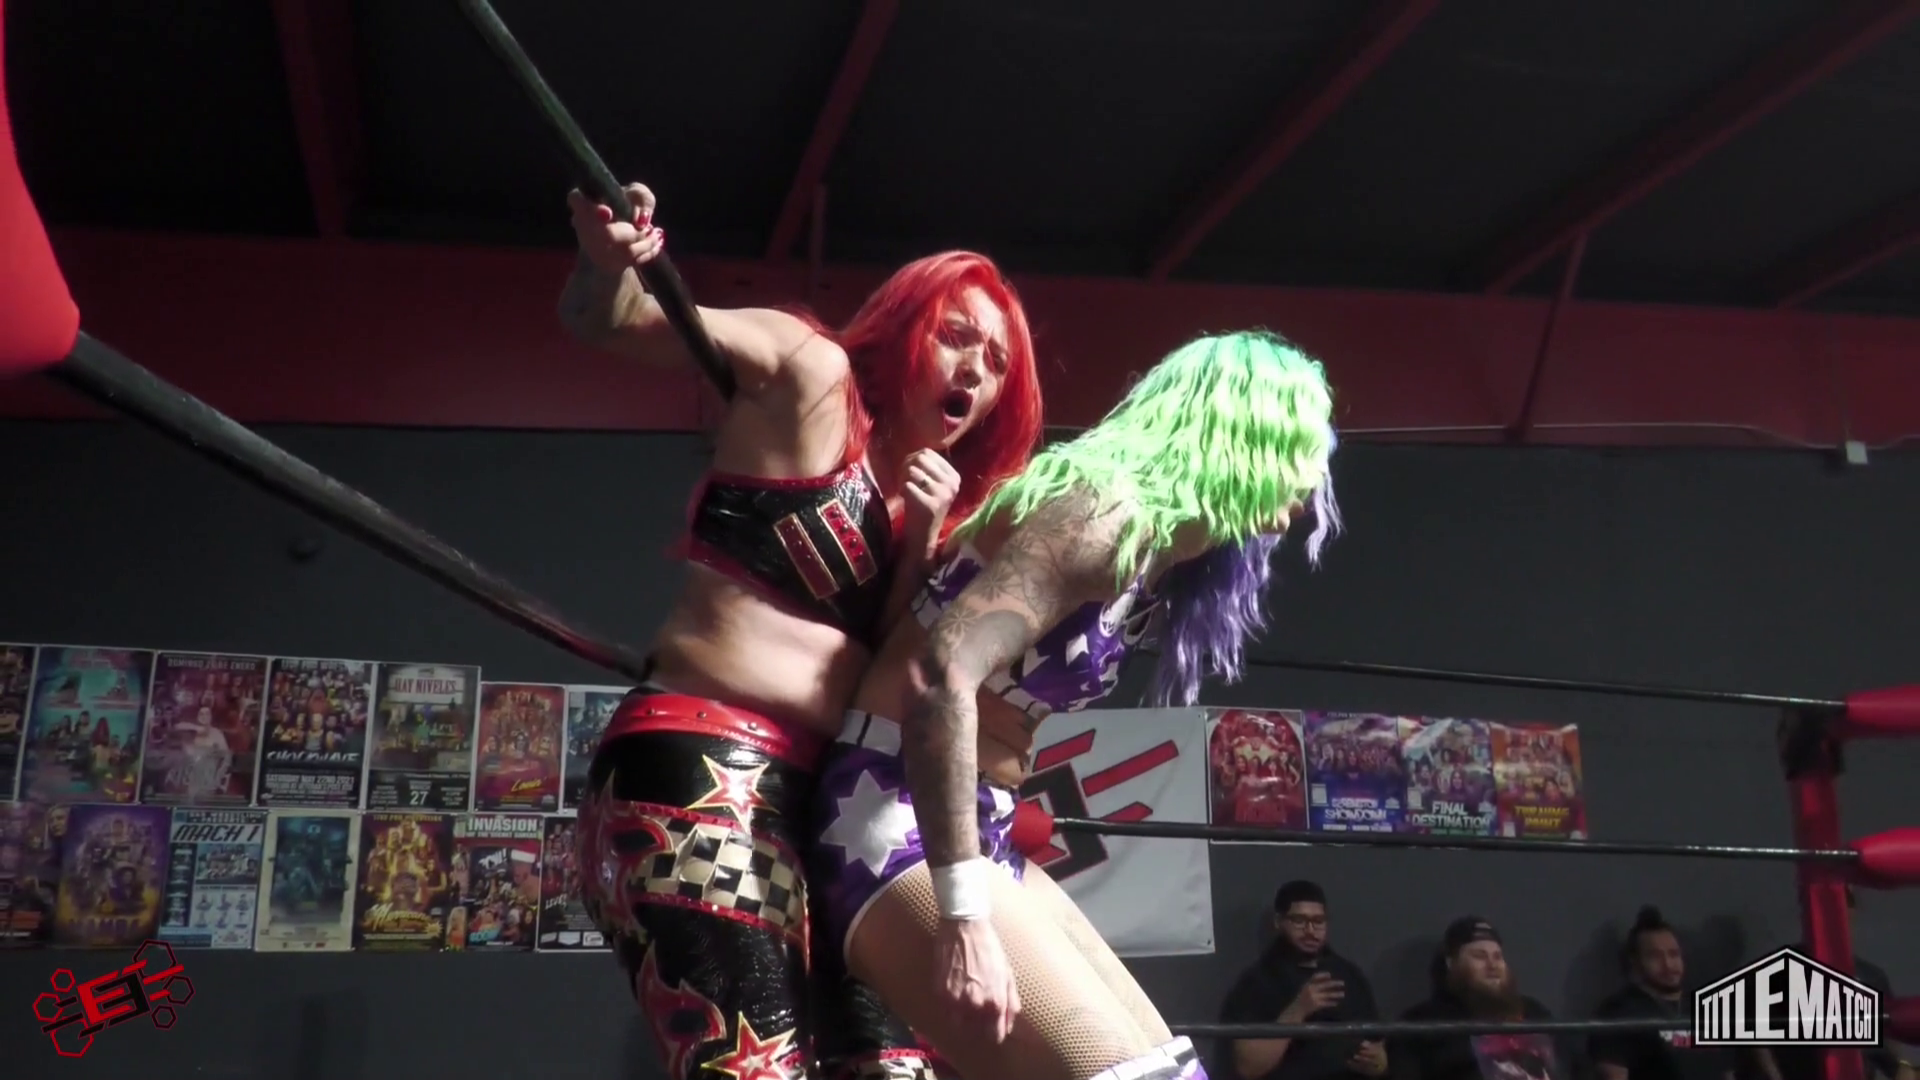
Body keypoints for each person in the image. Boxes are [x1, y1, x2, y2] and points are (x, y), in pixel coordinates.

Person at [560, 182, 1043, 1080]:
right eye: (956, 335)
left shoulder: (941, 517)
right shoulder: (810, 373)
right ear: (905, 328)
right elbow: (619, 321)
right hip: (707, 764)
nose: (975, 369)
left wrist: (921, 543)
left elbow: (893, 675)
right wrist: (610, 262)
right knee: (753, 1067)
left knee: (896, 1069)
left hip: (834, 812)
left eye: (997, 361)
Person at [809, 329, 1343, 1080]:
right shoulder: (1102, 512)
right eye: (1304, 443)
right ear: (1245, 433)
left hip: (975, 820)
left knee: (1172, 1072)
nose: (1315, 473)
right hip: (890, 813)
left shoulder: (1156, 555)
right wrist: (963, 914)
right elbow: (940, 674)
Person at [1219, 880, 1387, 1080]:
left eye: (1319, 921)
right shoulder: (1256, 982)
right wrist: (1299, 1010)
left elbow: (1378, 1047)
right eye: (1299, 921)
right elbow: (1248, 1067)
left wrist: (1378, 1063)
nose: (1310, 931)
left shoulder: (1349, 975)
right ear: (1278, 922)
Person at [1392, 917, 1579, 1080]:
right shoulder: (1425, 1023)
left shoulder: (1534, 1012)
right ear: (1451, 963)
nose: (1492, 965)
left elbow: (1577, 1065)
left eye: (1497, 957)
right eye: (1479, 956)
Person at [1589, 907, 1732, 1080]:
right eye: (1655, 957)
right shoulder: (1618, 1014)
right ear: (1635, 963)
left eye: (1674, 954)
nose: (1668, 965)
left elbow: (1727, 1073)